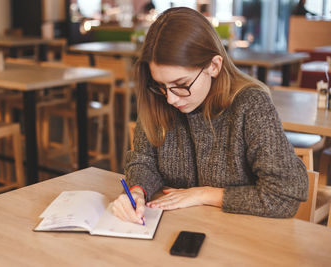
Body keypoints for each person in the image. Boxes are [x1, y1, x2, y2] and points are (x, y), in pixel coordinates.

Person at [112, 7, 308, 225]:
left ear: (214, 66)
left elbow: (284, 195)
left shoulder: (251, 105)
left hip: (243, 236)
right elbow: (143, 160)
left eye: (181, 85)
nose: (170, 99)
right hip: (181, 228)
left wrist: (204, 194)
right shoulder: (158, 97)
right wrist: (137, 191)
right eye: (160, 85)